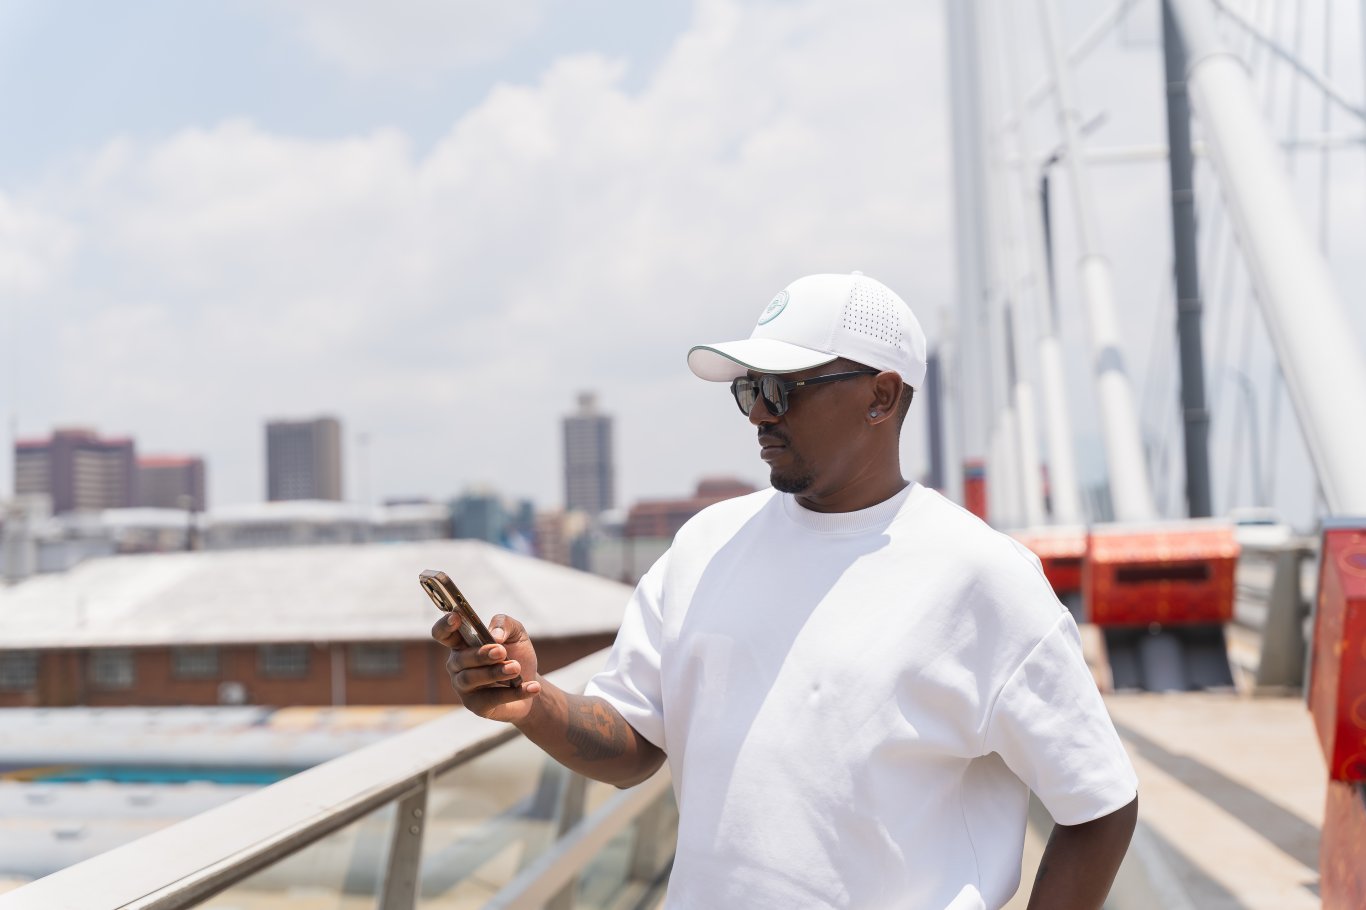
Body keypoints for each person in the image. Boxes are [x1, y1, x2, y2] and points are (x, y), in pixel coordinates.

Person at [433, 272, 1139, 909]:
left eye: (781, 390)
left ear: (881, 396)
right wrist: (533, 700)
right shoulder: (706, 547)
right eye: (747, 389)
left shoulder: (980, 576)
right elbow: (633, 745)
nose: (757, 414)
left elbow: (1100, 804)